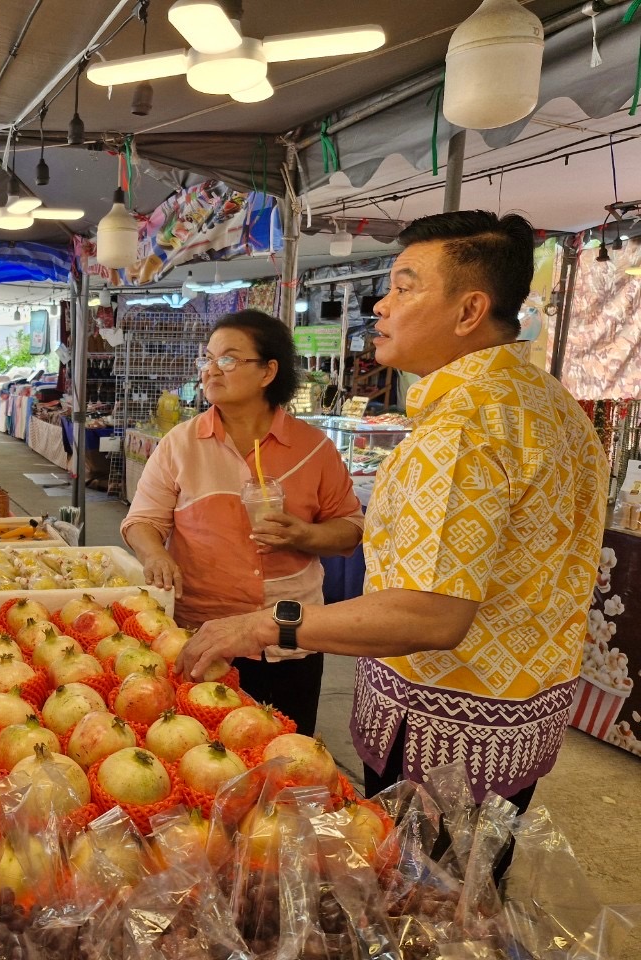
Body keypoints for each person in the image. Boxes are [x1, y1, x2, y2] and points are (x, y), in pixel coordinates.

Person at [177, 212, 608, 845]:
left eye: (405, 287)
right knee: (475, 891)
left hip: (444, 733)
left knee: (416, 898)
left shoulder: (464, 427)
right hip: (520, 718)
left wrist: (266, 623)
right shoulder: (549, 401)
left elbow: (431, 615)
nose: (381, 305)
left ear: (470, 310)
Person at [121, 310, 364, 735]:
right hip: (199, 637)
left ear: (269, 371)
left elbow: (350, 528)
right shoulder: (181, 443)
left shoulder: (313, 448)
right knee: (199, 753)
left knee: (284, 755)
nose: (211, 369)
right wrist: (155, 552)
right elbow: (142, 520)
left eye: (229, 359)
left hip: (286, 640)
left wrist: (305, 534)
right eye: (207, 358)